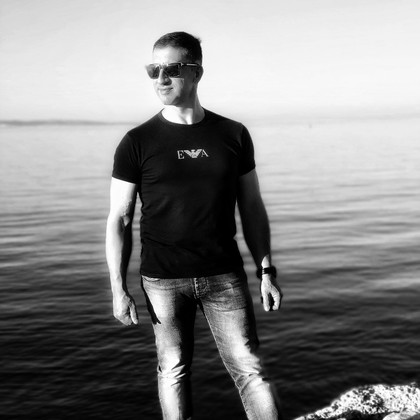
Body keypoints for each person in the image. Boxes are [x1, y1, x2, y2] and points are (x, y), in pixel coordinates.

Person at [106, 31, 283, 420]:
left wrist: (266, 270)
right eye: (153, 69)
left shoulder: (233, 135)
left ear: (196, 72)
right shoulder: (136, 142)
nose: (160, 78)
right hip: (162, 280)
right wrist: (118, 288)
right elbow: (119, 218)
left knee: (250, 369)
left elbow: (252, 207)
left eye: (171, 69)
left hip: (224, 275)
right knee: (172, 370)